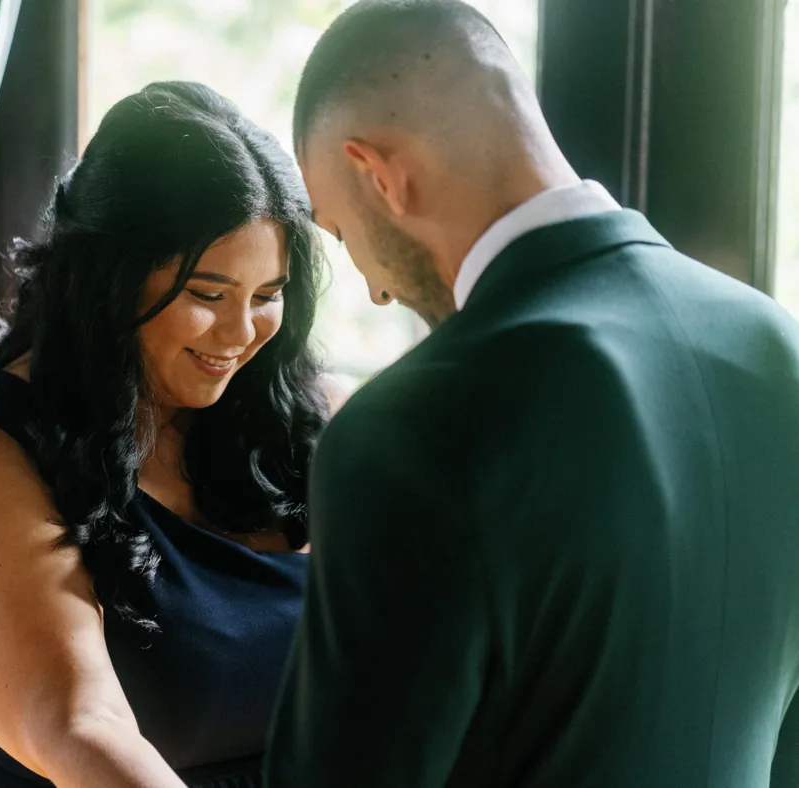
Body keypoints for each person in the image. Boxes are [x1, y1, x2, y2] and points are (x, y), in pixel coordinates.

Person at [265, 1, 799, 786]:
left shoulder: (414, 427)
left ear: (379, 173)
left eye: (341, 237)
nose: (375, 292)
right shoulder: (776, 349)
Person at [0, 81, 328, 787]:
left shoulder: (278, 424)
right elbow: (78, 729)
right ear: (109, 278)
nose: (242, 333)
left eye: (268, 296)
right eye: (208, 295)